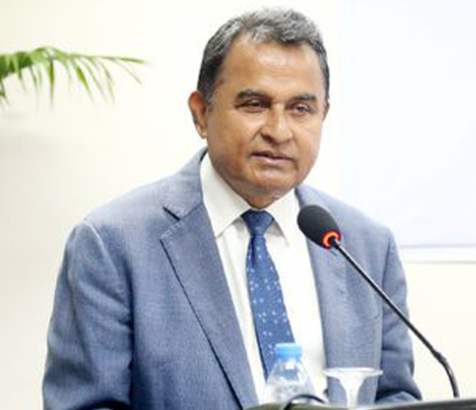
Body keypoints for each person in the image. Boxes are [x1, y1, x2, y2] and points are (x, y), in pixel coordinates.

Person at [43, 8, 421, 409]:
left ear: (323, 115)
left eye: (301, 109)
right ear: (201, 113)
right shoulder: (113, 244)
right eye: (255, 104)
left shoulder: (365, 245)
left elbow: (394, 396)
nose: (279, 131)